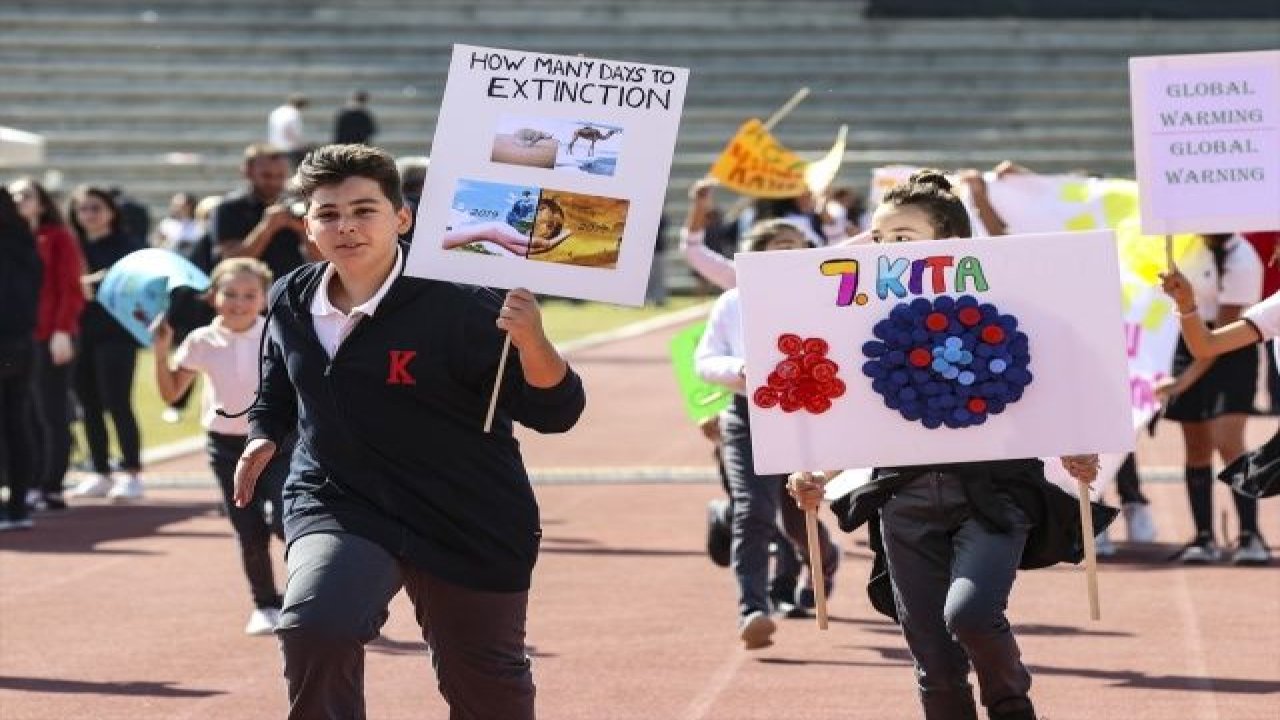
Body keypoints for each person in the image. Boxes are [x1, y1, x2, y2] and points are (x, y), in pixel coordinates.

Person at [232, 144, 585, 719]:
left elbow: (557, 412)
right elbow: (277, 385)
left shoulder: (466, 302)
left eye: (363, 210)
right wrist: (262, 433)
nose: (346, 226)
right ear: (307, 226)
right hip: (342, 500)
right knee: (315, 626)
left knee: (487, 692)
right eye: (328, 214)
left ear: (402, 218)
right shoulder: (292, 297)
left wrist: (533, 342)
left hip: (465, 513)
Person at [787, 170, 1107, 720]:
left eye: (903, 238)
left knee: (971, 615)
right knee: (933, 661)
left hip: (995, 495)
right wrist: (819, 472)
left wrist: (1073, 445)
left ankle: (1012, 705)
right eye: (879, 239)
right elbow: (859, 411)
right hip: (904, 502)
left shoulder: (1011, 305)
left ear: (952, 242)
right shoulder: (860, 320)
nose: (887, 251)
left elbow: (1050, 380)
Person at [695, 218, 841, 650]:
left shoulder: (821, 299)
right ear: (756, 256)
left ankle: (825, 561)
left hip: (804, 414)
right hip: (747, 415)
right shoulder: (732, 303)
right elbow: (705, 360)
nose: (789, 252)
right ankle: (753, 609)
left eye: (797, 245)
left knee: (797, 516)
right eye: (779, 244)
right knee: (752, 509)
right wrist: (739, 369)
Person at [151, 258, 291, 634]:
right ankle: (265, 604)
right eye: (230, 294)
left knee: (288, 522)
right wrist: (161, 352)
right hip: (226, 448)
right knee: (249, 531)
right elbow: (171, 394)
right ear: (213, 296)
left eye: (249, 295)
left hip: (277, 443)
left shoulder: (277, 332)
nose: (239, 303)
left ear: (264, 298)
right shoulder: (201, 340)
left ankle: (310, 598)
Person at [1155, 233, 1267, 565]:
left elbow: (1216, 339)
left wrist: (1182, 382)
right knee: (1196, 446)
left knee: (1228, 442)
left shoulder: (1244, 258)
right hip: (1190, 340)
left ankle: (1251, 535)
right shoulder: (1187, 248)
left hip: (1231, 346)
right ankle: (1204, 537)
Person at [7, 178, 86, 511]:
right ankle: (29, 480)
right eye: (14, 196)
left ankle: (51, 484)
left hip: (50, 334)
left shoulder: (57, 237)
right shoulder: (11, 239)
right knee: (22, 413)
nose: (19, 201)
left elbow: (70, 287)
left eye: (27, 196)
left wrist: (62, 331)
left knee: (50, 412)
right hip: (18, 337)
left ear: (41, 203)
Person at [66, 186, 147, 502]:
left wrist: (99, 281)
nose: (89, 215)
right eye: (82, 209)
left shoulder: (128, 245)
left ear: (111, 211)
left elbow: (138, 282)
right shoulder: (73, 246)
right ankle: (99, 470)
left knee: (118, 402)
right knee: (88, 405)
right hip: (80, 333)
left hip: (117, 334)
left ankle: (132, 472)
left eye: (95, 208)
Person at [0, 190, 42, 530]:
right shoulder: (25, 243)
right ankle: (19, 505)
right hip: (22, 343)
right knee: (17, 422)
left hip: (8, 338)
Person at [212, 144, 310, 281]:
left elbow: (320, 258)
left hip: (292, 287)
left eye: (280, 175)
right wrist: (267, 227)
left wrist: (303, 229)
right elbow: (231, 262)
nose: (274, 182)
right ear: (248, 172)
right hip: (249, 289)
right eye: (266, 175)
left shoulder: (297, 205)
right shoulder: (229, 208)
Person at [267, 93, 310, 167]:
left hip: (274, 146)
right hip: (289, 149)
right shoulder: (294, 114)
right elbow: (294, 133)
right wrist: (303, 145)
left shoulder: (276, 111)